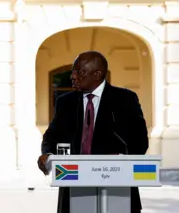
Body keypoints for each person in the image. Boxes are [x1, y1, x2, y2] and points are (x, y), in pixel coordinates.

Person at [37, 51, 149, 213]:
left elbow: (139, 143)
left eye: (79, 72)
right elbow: (51, 136)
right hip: (74, 187)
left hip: (117, 189)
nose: (72, 76)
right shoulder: (65, 102)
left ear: (97, 74)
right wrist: (47, 153)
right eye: (73, 71)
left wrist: (118, 160)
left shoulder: (125, 99)